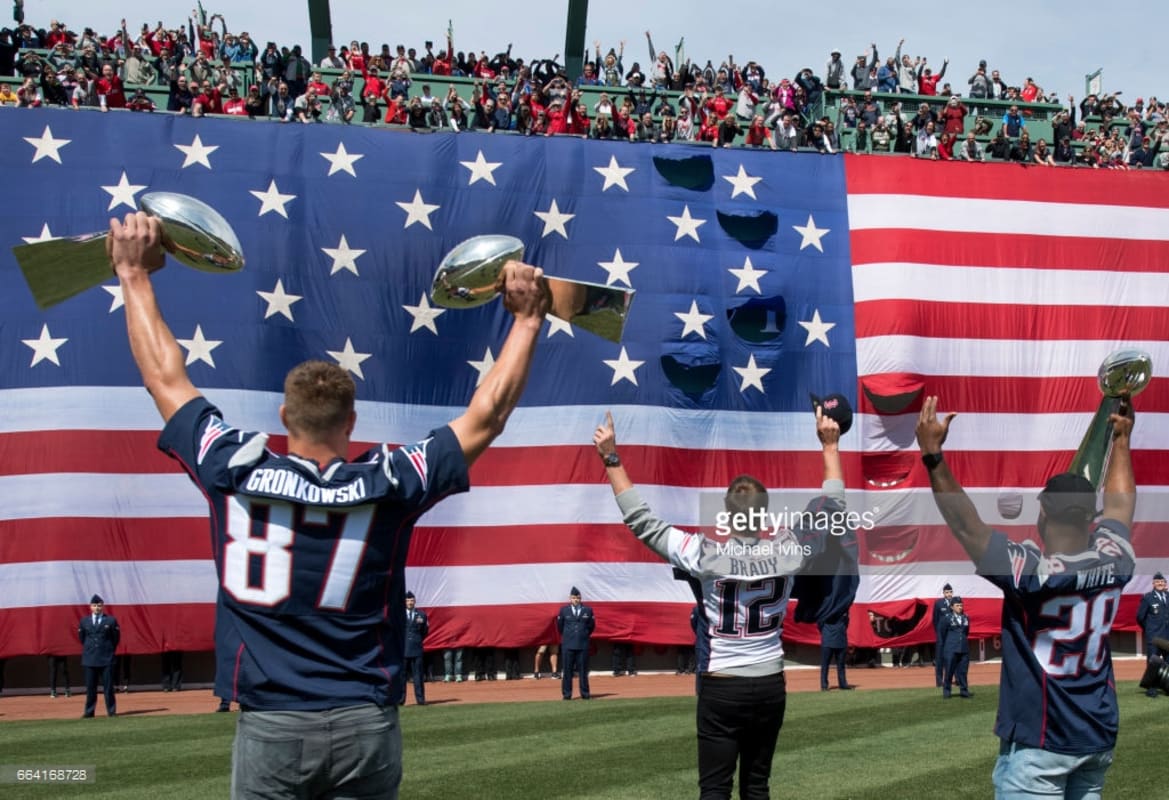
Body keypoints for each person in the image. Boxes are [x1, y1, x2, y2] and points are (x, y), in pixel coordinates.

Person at [108, 210, 550, 798]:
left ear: (285, 417)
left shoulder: (232, 466)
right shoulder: (391, 478)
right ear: (353, 422)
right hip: (364, 717)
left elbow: (165, 378)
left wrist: (133, 275)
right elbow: (486, 416)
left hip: (271, 720)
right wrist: (526, 321)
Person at [594, 403, 854, 800]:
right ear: (764, 516)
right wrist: (830, 447)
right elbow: (833, 509)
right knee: (757, 786)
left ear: (730, 517)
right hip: (768, 681)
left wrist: (612, 457)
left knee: (714, 789)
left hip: (722, 683)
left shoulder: (704, 553)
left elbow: (642, 523)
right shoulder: (788, 551)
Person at [916, 395, 1135, 798]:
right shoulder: (1116, 558)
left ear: (1044, 515)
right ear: (1091, 520)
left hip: (1043, 739)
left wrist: (932, 456)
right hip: (1097, 735)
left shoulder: (1030, 572)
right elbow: (1121, 506)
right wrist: (1120, 441)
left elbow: (966, 526)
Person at [79, 594, 119, 718]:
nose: (97, 608)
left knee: (108, 688)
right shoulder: (84, 621)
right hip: (90, 659)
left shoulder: (111, 621)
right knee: (91, 688)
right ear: (91, 607)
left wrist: (108, 650)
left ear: (103, 607)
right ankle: (89, 712)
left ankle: (111, 711)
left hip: (106, 658)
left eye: (99, 605)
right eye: (95, 605)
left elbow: (116, 639)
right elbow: (82, 638)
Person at [556, 587, 595, 700]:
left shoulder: (588, 610)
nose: (576, 600)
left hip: (582, 645)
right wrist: (569, 636)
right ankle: (567, 694)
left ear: (580, 598)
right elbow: (560, 627)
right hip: (568, 645)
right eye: (573, 598)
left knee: (583, 671)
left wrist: (584, 634)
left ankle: (585, 694)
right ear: (570, 598)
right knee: (567, 671)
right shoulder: (564, 610)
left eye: (578, 598)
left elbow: (591, 626)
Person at [1137, 572, 1169, 697]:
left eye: (1162, 582)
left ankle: (1167, 686)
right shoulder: (1148, 598)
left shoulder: (1168, 596)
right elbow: (1140, 617)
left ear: (1165, 583)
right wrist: (1149, 629)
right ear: (1153, 584)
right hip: (1154, 637)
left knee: (1168, 662)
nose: (1160, 583)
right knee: (1153, 662)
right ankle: (1151, 689)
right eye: (1157, 582)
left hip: (1167, 636)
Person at [940, 598, 972, 698]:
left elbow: (966, 632)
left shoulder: (966, 617)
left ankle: (964, 691)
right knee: (949, 670)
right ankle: (947, 691)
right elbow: (942, 634)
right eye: (957, 605)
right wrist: (948, 645)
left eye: (961, 605)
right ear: (952, 607)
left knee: (963, 671)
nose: (960, 607)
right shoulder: (947, 618)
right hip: (951, 648)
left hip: (963, 648)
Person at [400, 592, 429, 705]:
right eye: (408, 600)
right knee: (402, 677)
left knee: (418, 676)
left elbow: (425, 631)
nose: (410, 602)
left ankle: (420, 700)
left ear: (415, 601)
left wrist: (417, 640)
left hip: (417, 649)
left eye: (412, 600)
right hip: (403, 650)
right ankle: (401, 700)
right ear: (405, 602)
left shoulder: (421, 615)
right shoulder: (399, 615)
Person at [818, 611, 852, 691]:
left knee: (841, 665)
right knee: (825, 665)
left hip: (841, 640)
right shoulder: (826, 608)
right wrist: (826, 633)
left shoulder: (845, 609)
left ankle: (843, 684)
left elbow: (846, 622)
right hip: (827, 641)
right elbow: (820, 623)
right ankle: (824, 685)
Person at [932, 583, 956, 687]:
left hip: (952, 636)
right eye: (946, 592)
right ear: (943, 593)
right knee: (940, 658)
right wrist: (939, 632)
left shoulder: (956, 603)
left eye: (950, 592)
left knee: (952, 658)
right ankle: (939, 681)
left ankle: (952, 679)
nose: (949, 594)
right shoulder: (939, 604)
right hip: (941, 636)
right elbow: (935, 619)